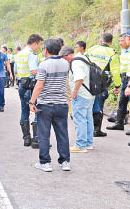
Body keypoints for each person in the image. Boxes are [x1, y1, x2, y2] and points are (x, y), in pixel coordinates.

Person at [29, 39, 70, 172]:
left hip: (45, 104)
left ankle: (45, 162)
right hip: (62, 104)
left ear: (46, 50)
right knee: (62, 134)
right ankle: (65, 162)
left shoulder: (44, 65)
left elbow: (39, 85)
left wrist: (32, 101)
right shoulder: (65, 63)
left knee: (44, 134)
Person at [60, 45, 95, 153]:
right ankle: (88, 143)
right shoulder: (83, 58)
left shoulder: (75, 62)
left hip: (81, 95)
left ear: (70, 54)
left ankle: (80, 145)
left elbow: (79, 78)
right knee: (88, 118)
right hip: (90, 93)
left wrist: (74, 92)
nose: (65, 61)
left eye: (65, 58)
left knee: (80, 119)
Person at [86, 33, 121, 137]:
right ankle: (96, 130)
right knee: (98, 105)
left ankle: (87, 129)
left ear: (101, 40)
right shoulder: (112, 53)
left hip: (87, 81)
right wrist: (117, 86)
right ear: (111, 42)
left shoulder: (92, 49)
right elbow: (115, 71)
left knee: (88, 105)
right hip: (101, 83)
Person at [14, 34, 43, 148]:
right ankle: (36, 139)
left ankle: (26, 139)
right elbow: (34, 71)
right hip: (31, 85)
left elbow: (16, 70)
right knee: (36, 109)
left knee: (24, 110)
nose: (39, 47)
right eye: (39, 45)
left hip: (21, 85)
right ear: (35, 43)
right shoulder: (31, 55)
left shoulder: (19, 54)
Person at [107, 34, 130, 131]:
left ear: (129, 40)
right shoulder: (124, 52)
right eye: (119, 41)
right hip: (124, 79)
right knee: (122, 102)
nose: (120, 43)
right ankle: (119, 123)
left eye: (122, 41)